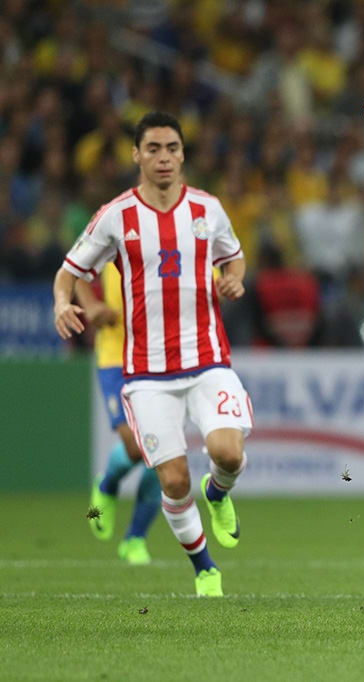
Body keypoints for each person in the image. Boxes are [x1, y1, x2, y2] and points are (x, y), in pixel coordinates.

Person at [53, 112, 252, 597]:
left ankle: (219, 493)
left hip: (208, 360)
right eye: (154, 149)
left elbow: (233, 255)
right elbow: (71, 271)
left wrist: (235, 279)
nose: (164, 158)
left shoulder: (208, 208)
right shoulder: (116, 215)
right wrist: (67, 303)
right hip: (145, 373)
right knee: (171, 477)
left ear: (183, 154)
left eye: (172, 149)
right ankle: (204, 567)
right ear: (136, 155)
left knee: (228, 454)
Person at [74, 264, 162, 564]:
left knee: (161, 453)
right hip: (116, 354)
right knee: (137, 447)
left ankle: (135, 539)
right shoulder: (114, 225)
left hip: (164, 357)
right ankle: (107, 485)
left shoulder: (176, 229)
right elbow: (73, 271)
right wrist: (92, 305)